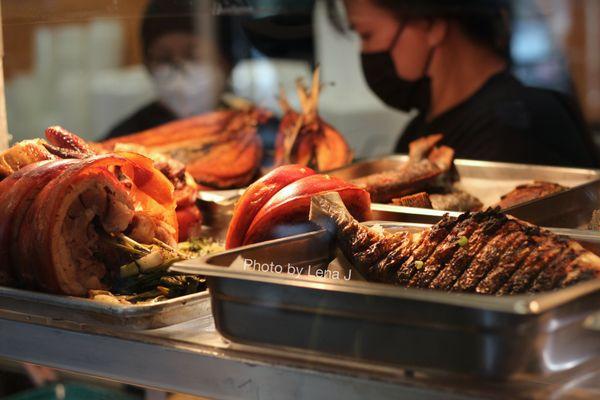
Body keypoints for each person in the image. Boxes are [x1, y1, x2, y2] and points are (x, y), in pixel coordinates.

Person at [333, 0, 599, 167]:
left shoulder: (517, 129)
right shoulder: (419, 130)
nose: (364, 51)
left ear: (431, 26)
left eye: (367, 34)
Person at [105, 0, 233, 139]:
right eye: (164, 59)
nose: (179, 71)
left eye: (193, 56)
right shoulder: (124, 138)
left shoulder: (247, 126)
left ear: (224, 62)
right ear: (148, 66)